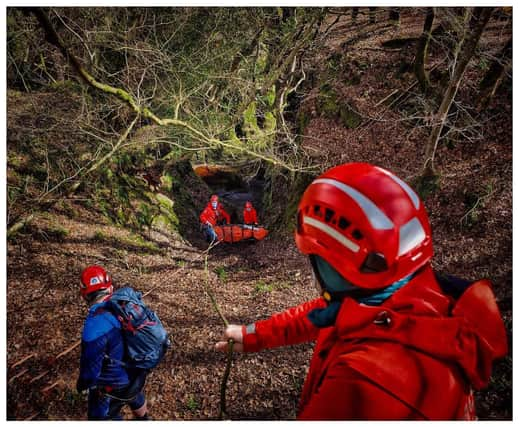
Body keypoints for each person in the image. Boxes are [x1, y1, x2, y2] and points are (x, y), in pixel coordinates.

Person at [215, 162, 507, 420]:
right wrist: (253, 334)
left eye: (315, 259)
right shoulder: (428, 298)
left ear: (335, 267)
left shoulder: (362, 384)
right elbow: (323, 314)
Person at [77, 265, 150, 420]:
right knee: (134, 393)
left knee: (101, 417)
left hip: (112, 385)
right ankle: (145, 419)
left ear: (84, 295)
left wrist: (82, 384)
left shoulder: (94, 327)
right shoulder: (126, 304)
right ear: (110, 288)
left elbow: (91, 372)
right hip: (137, 372)